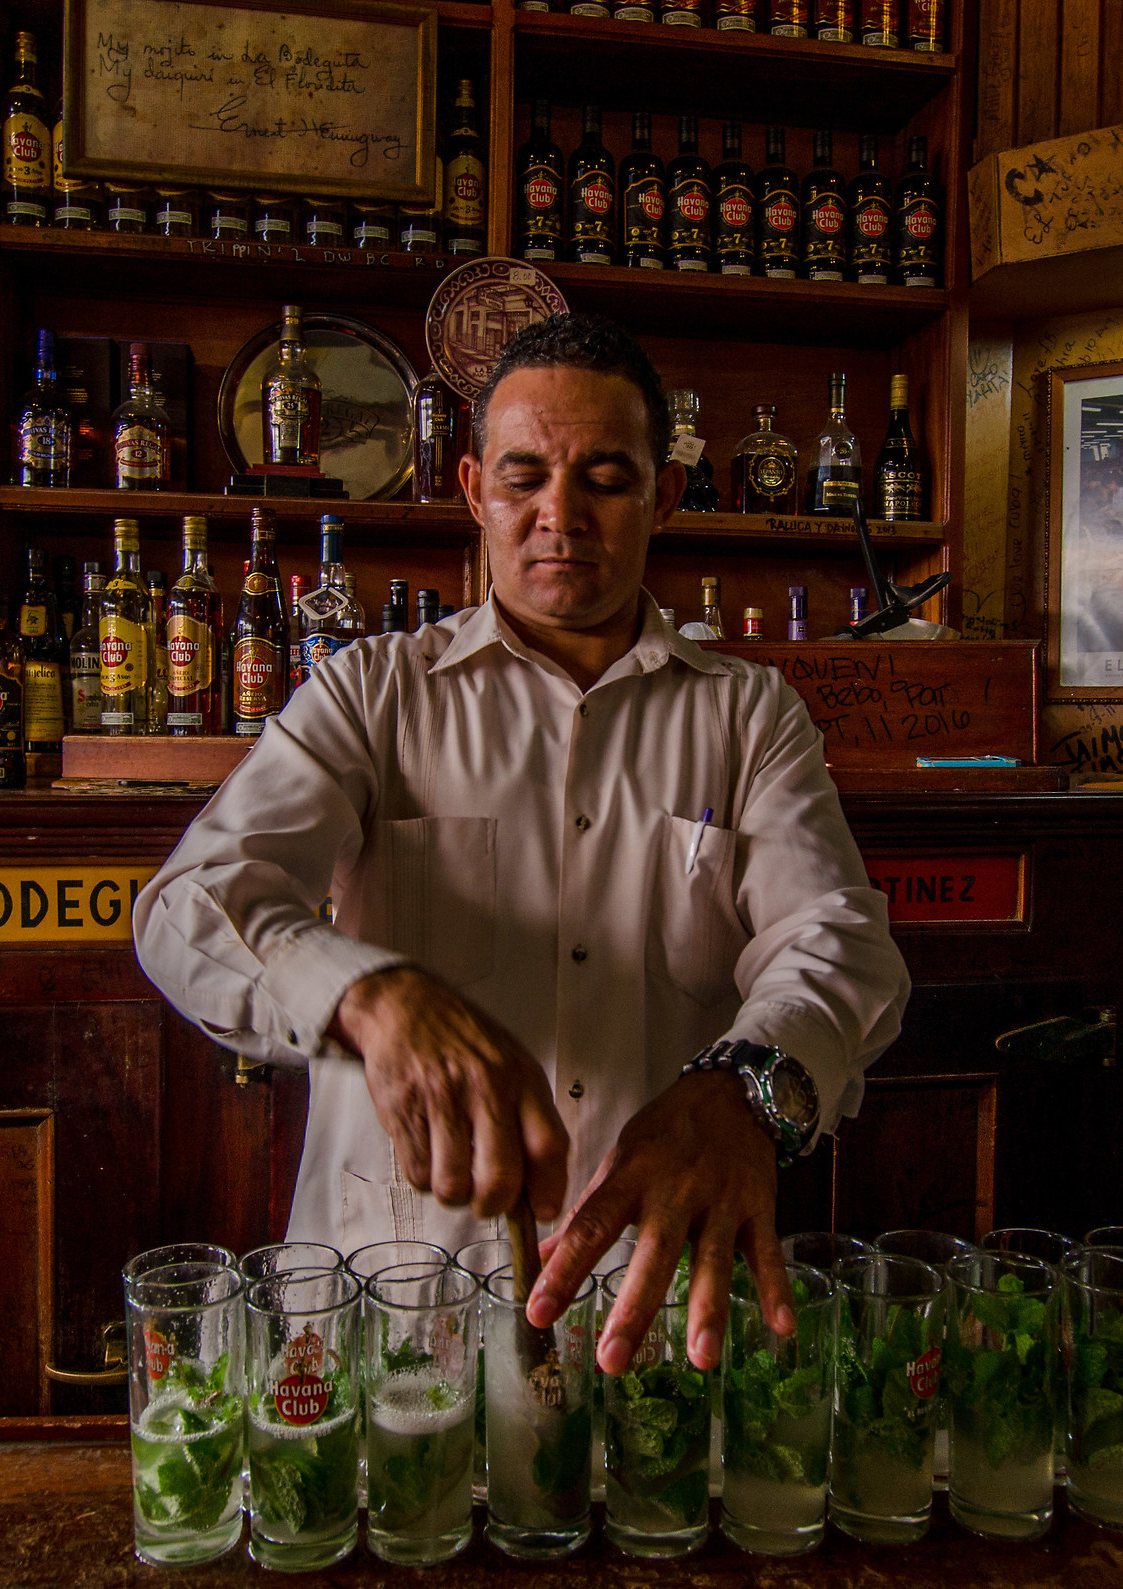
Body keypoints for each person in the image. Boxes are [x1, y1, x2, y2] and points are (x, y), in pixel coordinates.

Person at [132, 313, 910, 1373]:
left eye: (604, 476)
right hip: (395, 1298)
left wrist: (748, 1089)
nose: (561, 514)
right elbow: (189, 904)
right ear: (471, 488)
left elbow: (839, 941)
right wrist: (367, 991)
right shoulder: (373, 691)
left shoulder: (747, 715)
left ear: (664, 496)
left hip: (648, 1300)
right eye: (524, 475)